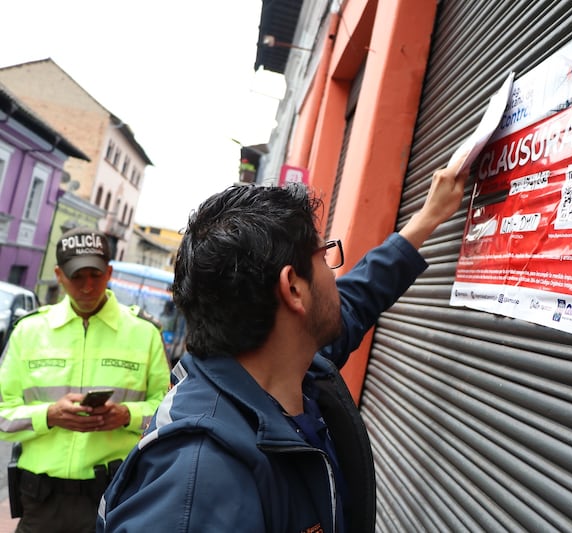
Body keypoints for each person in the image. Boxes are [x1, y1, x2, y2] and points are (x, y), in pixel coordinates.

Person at [97, 161, 467, 532]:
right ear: (293, 288)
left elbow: (357, 298)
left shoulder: (290, 370)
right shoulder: (201, 482)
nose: (334, 274)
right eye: (324, 256)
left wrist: (427, 218)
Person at [0, 227, 172, 533]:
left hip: (111, 495)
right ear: (59, 275)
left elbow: (168, 413)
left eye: (95, 275)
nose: (88, 286)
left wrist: (126, 415)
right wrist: (48, 415)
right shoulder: (29, 331)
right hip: (41, 499)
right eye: (77, 277)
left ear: (109, 273)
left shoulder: (144, 334)